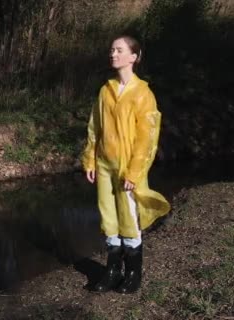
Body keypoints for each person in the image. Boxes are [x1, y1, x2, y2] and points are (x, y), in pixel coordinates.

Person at [81, 35, 171, 294]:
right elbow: (94, 127)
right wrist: (89, 158)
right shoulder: (105, 90)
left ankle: (133, 274)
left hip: (128, 168)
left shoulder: (143, 93)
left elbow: (147, 137)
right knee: (108, 217)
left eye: (119, 50)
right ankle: (112, 271)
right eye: (111, 50)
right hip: (104, 164)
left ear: (134, 57)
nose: (113, 54)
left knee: (129, 218)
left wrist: (134, 171)